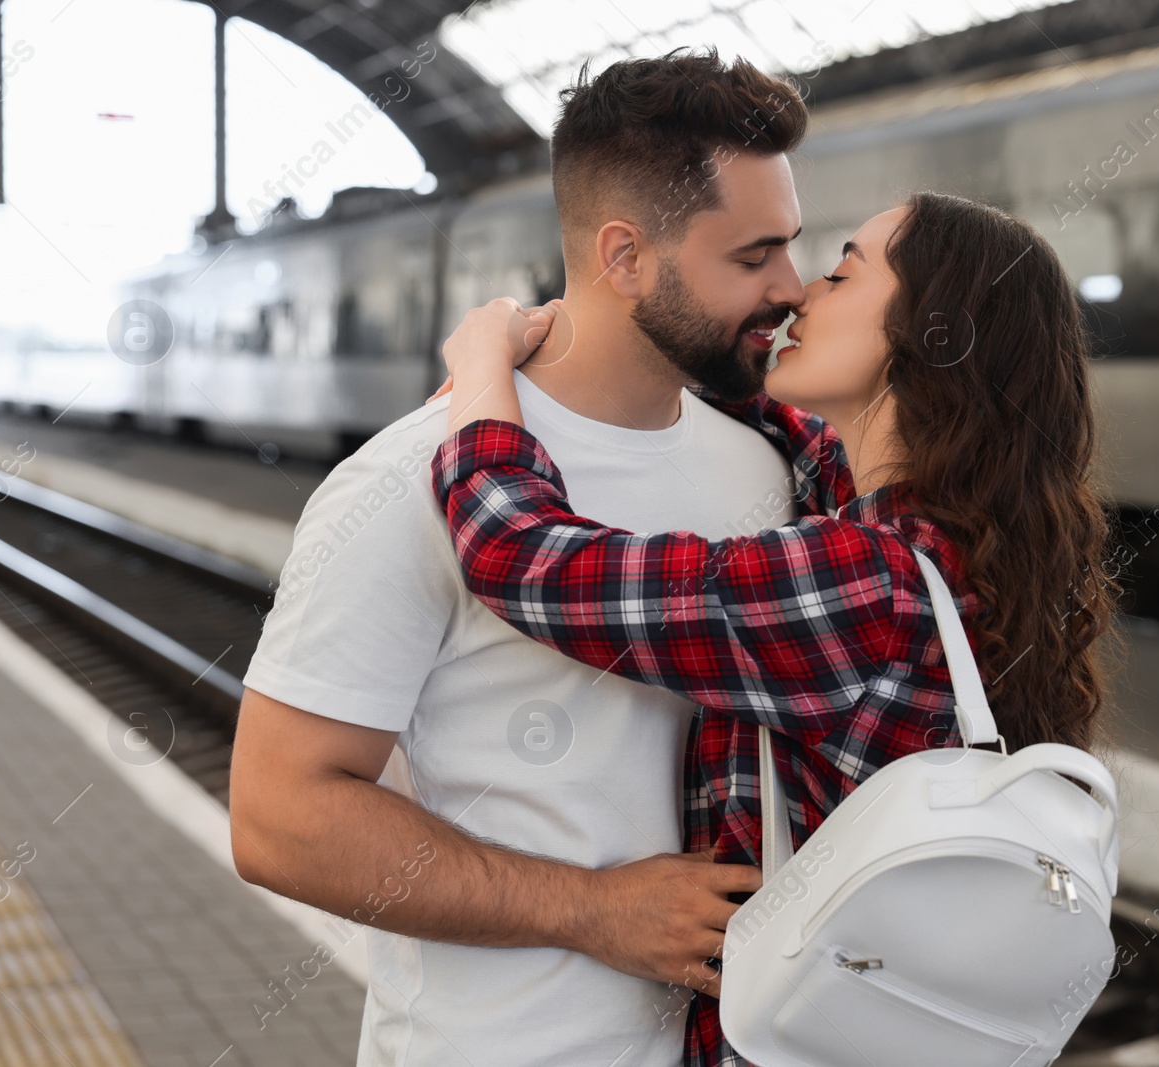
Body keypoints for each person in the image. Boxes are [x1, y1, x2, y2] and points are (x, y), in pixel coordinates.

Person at [228, 50, 846, 1066]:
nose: (790, 285)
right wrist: (590, 909)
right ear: (623, 256)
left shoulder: (769, 469)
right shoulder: (410, 477)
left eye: (792, 247)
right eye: (752, 256)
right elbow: (279, 815)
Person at [430, 190, 1122, 1067]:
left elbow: (520, 554)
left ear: (929, 336)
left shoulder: (865, 585)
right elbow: (803, 437)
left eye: (841, 274)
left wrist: (483, 362)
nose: (801, 295)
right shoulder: (945, 538)